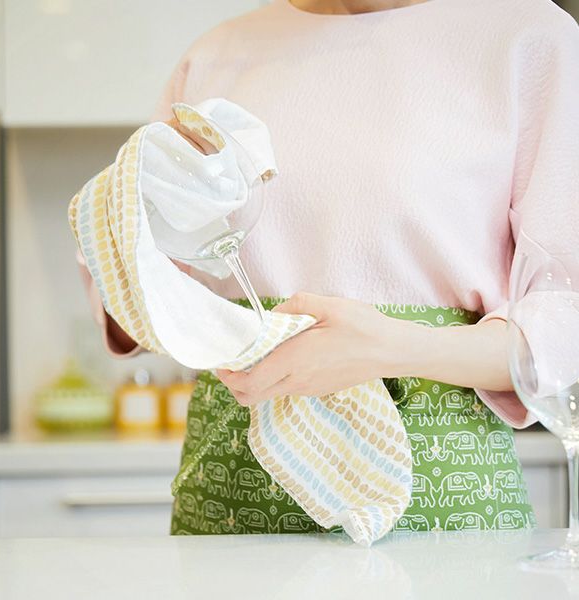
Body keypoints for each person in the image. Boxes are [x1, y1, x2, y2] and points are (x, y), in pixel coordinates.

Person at [77, 0, 579, 534]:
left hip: (438, 496)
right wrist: (126, 223)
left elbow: (566, 315)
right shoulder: (214, 56)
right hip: (231, 492)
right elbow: (138, 297)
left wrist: (396, 347)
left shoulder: (528, 37)